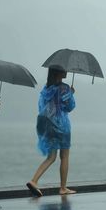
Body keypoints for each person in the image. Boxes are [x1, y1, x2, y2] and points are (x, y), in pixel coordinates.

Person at [27, 68, 76, 196]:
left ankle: (34, 180)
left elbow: (42, 107)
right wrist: (71, 93)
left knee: (51, 157)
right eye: (63, 69)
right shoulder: (64, 88)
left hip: (49, 126)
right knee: (64, 156)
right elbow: (70, 107)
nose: (66, 71)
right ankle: (63, 188)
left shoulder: (46, 89)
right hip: (62, 126)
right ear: (58, 73)